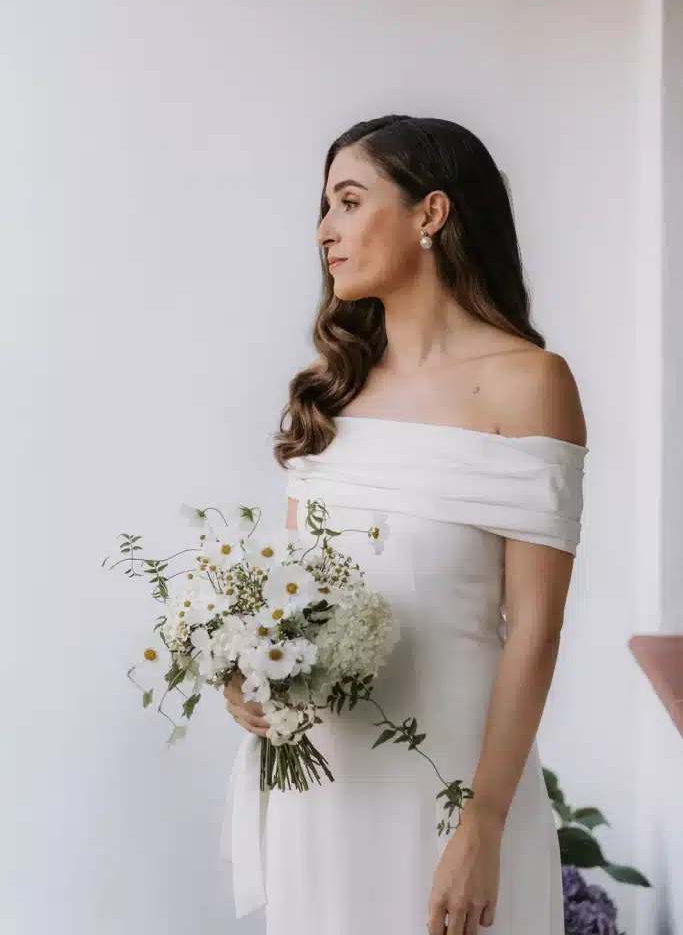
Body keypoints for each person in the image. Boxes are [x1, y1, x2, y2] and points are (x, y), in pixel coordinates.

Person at [223, 114, 589, 935]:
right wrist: (244, 671)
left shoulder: (530, 383)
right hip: (321, 785)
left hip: (454, 791)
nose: (324, 232)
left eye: (348, 202)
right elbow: (293, 593)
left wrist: (484, 824)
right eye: (323, 208)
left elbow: (535, 628)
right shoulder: (331, 389)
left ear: (430, 213)